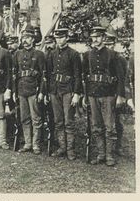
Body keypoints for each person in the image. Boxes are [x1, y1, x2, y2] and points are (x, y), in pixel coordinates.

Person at [82, 26, 126, 166]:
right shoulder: (87, 55)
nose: (95, 40)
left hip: (108, 94)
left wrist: (120, 96)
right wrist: (85, 96)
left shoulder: (113, 55)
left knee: (109, 126)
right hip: (93, 94)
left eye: (98, 37)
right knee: (96, 126)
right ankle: (101, 154)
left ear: (103, 38)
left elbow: (120, 77)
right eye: (93, 37)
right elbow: (85, 77)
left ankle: (109, 156)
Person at [46, 28, 82, 160]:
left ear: (67, 38)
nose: (59, 40)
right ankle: (62, 147)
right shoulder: (52, 54)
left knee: (69, 121)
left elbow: (78, 75)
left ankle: (70, 150)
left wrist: (77, 93)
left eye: (61, 37)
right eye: (57, 38)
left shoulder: (74, 54)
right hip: (55, 90)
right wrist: (49, 91)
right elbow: (49, 74)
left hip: (68, 90)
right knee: (58, 121)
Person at [12, 26, 46, 154]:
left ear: (33, 39)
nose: (25, 40)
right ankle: (27, 143)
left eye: (28, 38)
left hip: (34, 90)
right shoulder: (17, 54)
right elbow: (14, 74)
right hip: (21, 90)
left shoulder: (39, 55)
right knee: (24, 118)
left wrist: (41, 92)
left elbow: (44, 75)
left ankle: (36, 144)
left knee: (35, 118)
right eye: (24, 38)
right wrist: (15, 91)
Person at [103, 33, 127, 156]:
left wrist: (121, 96)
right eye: (106, 44)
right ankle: (108, 148)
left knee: (118, 120)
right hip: (105, 93)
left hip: (116, 93)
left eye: (110, 44)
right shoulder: (103, 57)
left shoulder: (119, 58)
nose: (109, 47)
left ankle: (118, 146)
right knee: (107, 121)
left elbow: (122, 79)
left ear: (114, 44)